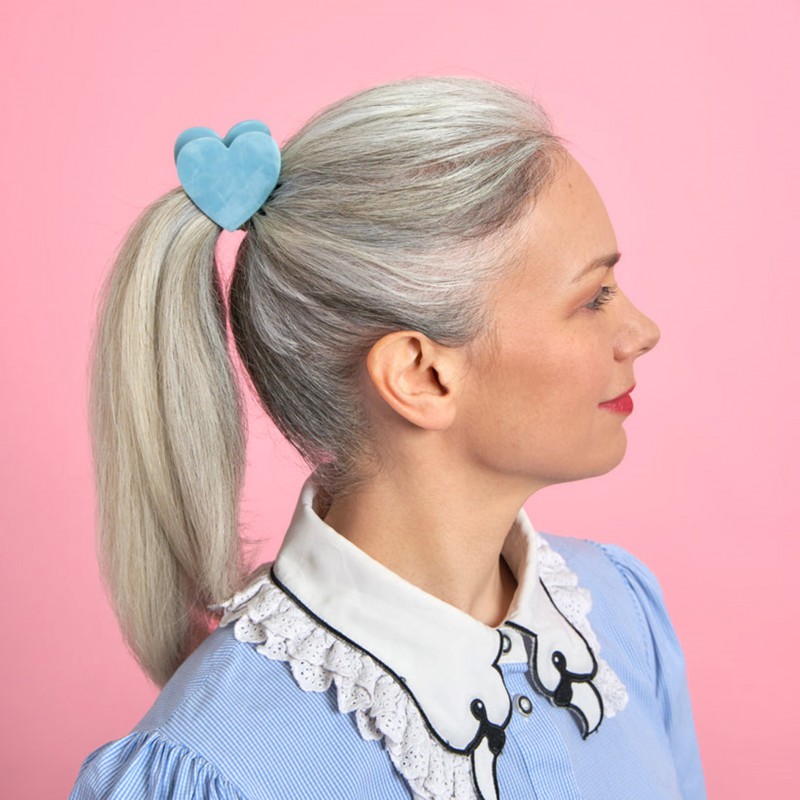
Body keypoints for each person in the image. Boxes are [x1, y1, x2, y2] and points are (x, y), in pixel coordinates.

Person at [68, 76, 706, 799]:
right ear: (421, 375)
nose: (641, 332)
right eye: (593, 298)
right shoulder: (216, 770)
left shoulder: (620, 613)